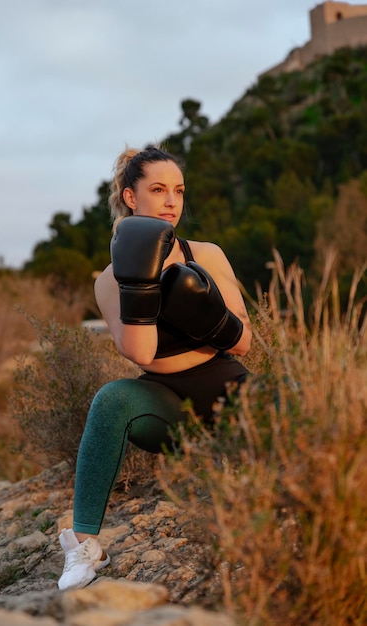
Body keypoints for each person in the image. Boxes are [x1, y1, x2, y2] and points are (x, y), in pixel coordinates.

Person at [58, 145, 252, 591]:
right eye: (159, 190)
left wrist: (208, 315)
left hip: (228, 388)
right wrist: (140, 282)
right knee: (111, 399)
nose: (171, 202)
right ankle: (85, 545)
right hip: (165, 406)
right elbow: (142, 355)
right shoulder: (109, 280)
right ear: (131, 197)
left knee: (293, 404)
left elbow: (243, 342)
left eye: (178, 192)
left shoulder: (207, 254)